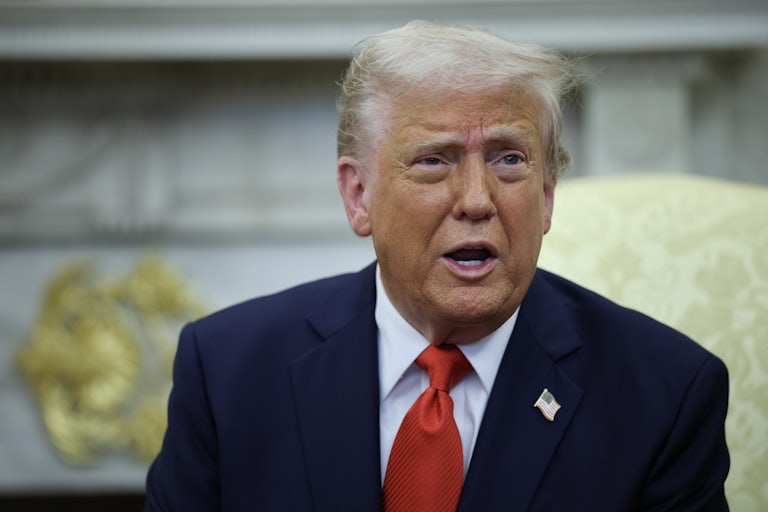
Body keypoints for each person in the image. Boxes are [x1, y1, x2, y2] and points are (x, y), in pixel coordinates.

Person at [145, 20, 730, 511]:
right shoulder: (227, 372)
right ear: (358, 196)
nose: (477, 199)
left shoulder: (664, 395)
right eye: (432, 160)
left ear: (547, 196)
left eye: (508, 159)